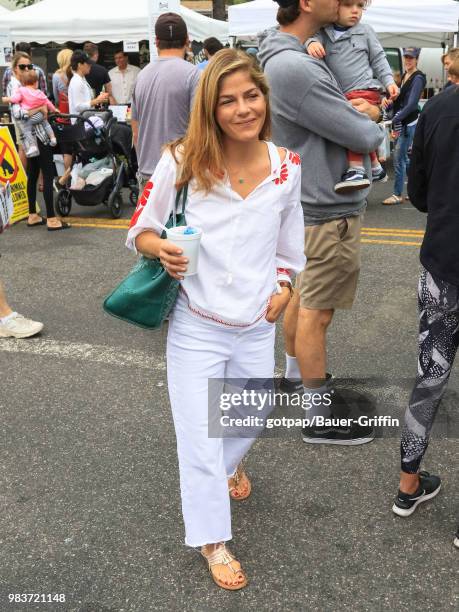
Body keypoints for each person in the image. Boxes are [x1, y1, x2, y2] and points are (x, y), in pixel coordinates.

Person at [126, 48, 305, 589]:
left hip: (256, 321)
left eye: (251, 96)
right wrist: (162, 249)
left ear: (264, 100)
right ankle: (212, 538)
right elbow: (139, 228)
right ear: (210, 107)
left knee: (248, 418)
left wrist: (284, 285)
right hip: (196, 322)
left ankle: (229, 466)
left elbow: (288, 246)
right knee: (199, 438)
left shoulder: (286, 167)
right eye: (227, 101)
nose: (242, 109)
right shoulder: (182, 160)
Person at [258, 0, 383, 445]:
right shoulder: (299, 68)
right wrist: (370, 116)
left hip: (305, 202)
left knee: (302, 297)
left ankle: (296, 378)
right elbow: (363, 134)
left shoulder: (281, 57)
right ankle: (318, 415)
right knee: (317, 310)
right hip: (326, 207)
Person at [391, 82, 458, 550]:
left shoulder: (439, 107)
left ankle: (408, 483)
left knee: (429, 378)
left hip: (442, 265)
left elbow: (418, 193)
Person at [306, 0, 398, 192]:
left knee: (350, 125)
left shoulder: (365, 31)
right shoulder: (322, 32)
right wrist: (311, 42)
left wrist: (389, 81)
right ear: (334, 6)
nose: (355, 11)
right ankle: (375, 166)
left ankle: (356, 169)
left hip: (363, 90)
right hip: (340, 93)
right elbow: (309, 37)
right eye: (348, 5)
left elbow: (379, 58)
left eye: (360, 6)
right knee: (350, 122)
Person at [131, 12, 200, 194]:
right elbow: (199, 129)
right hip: (181, 175)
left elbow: (135, 133)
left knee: (147, 224)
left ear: (156, 41)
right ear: (187, 40)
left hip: (148, 175)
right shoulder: (194, 75)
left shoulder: (141, 76)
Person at [382, 48, 426, 206]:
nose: (408, 60)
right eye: (406, 57)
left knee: (399, 160)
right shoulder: (405, 75)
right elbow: (398, 98)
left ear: (417, 59)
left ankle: (397, 194)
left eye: (411, 58)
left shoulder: (418, 77)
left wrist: (395, 119)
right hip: (405, 122)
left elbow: (412, 103)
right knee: (407, 160)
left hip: (407, 123)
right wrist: (387, 101)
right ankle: (416, 191)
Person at [2, 69, 57, 158]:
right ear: (36, 82)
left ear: (23, 82)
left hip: (30, 118)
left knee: (26, 128)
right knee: (46, 124)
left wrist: (6, 99)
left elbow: (15, 99)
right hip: (41, 115)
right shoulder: (39, 92)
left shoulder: (22, 90)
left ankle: (32, 146)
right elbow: (47, 102)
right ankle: (53, 138)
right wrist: (54, 109)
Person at [52, 48, 73, 189]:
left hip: (63, 116)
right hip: (77, 115)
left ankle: (66, 177)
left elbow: (55, 97)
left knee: (66, 150)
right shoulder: (74, 74)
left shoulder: (56, 76)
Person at [68, 51, 110, 120]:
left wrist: (98, 99)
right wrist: (97, 100)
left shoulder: (81, 79)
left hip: (86, 121)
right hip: (81, 124)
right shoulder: (77, 81)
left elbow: (85, 101)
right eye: (87, 63)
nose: (90, 65)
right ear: (79, 65)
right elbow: (78, 107)